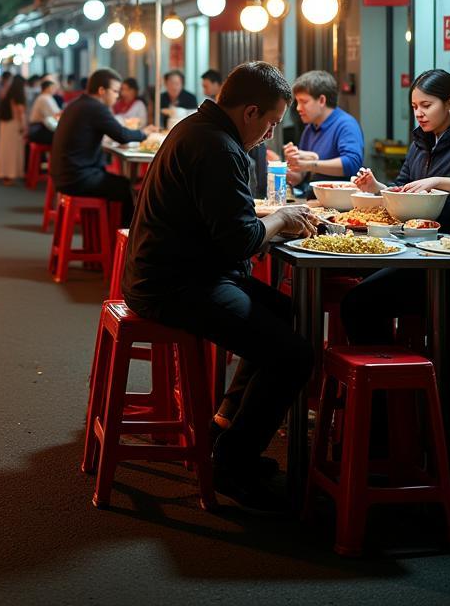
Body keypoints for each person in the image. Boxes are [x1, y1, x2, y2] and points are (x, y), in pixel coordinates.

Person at [123, 62, 318, 510]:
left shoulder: (199, 127)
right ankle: (233, 464)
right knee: (294, 354)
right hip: (173, 285)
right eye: (269, 123)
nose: (268, 134)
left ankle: (225, 428)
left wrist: (268, 222)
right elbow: (239, 239)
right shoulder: (217, 146)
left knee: (289, 316)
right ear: (250, 111)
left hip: (176, 272)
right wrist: (280, 219)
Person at [342, 68, 450, 344]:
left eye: (427, 105)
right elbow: (403, 187)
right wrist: (376, 187)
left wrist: (439, 180)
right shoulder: (421, 141)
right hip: (413, 251)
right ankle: (391, 376)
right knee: (355, 286)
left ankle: (388, 380)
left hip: (441, 262)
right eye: (415, 106)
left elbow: (427, 187)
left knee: (359, 302)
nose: (419, 113)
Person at [50, 69, 145, 223]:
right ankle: (126, 242)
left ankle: (108, 236)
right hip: (77, 178)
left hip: (64, 175)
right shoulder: (96, 108)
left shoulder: (79, 103)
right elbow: (122, 135)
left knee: (118, 184)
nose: (117, 95)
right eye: (114, 91)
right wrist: (145, 134)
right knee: (125, 187)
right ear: (101, 91)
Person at [283, 70, 364, 185]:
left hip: (339, 200)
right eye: (297, 102)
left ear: (322, 100)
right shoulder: (310, 128)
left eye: (304, 102)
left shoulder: (346, 124)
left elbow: (352, 163)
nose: (298, 108)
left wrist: (311, 164)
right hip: (313, 197)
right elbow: (300, 176)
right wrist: (285, 167)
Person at [0, 75, 27, 184]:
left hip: (4, 124)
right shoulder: (17, 94)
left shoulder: (7, 92)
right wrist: (23, 126)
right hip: (13, 124)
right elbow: (19, 111)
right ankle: (10, 174)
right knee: (12, 151)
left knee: (4, 150)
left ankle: (5, 174)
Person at [27, 79, 61, 145]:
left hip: (40, 128)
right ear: (47, 88)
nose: (55, 89)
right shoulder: (44, 98)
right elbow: (55, 114)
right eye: (53, 87)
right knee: (62, 137)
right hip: (37, 130)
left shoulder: (47, 97)